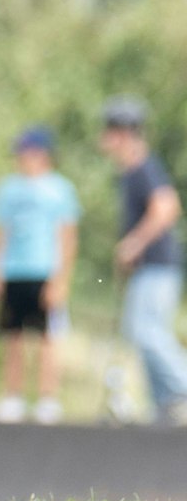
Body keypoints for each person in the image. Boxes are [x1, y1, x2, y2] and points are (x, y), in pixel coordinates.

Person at [99, 95, 187, 426]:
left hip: (158, 266)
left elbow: (166, 207)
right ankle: (165, 404)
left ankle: (181, 388)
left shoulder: (143, 168)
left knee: (146, 330)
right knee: (140, 331)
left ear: (122, 133)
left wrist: (134, 243)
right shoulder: (130, 172)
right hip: (149, 268)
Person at [0, 125, 80, 424]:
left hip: (45, 270)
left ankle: (47, 398)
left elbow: (67, 235)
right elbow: (0, 232)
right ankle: (12, 395)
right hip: (14, 270)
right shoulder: (8, 189)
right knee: (12, 336)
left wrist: (61, 278)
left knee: (47, 337)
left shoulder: (60, 189)